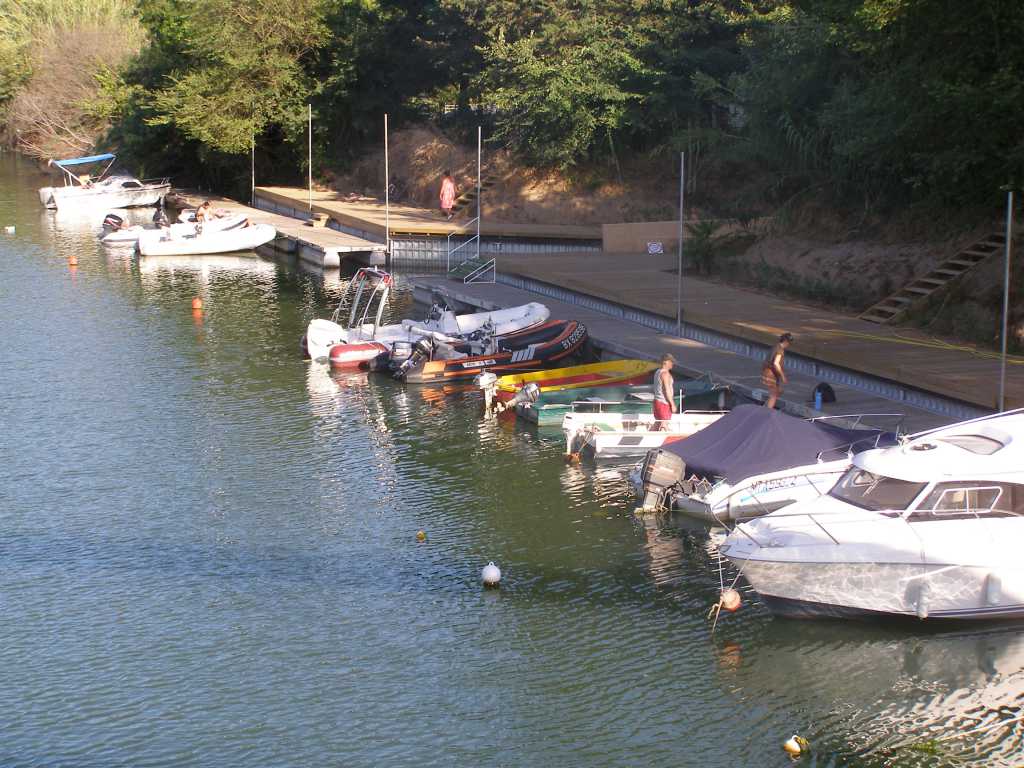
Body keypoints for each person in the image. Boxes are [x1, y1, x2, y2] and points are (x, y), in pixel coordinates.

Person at [761, 332, 793, 409]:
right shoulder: (780, 350)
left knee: (779, 391)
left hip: (767, 372)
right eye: (789, 343)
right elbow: (776, 364)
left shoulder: (776, 346)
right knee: (774, 395)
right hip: (771, 374)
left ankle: (766, 406)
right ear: (786, 342)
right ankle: (767, 411)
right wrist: (783, 376)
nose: (789, 345)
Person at [652, 352, 678, 430]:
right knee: (664, 424)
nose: (672, 364)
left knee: (657, 423)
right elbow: (667, 390)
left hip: (657, 402)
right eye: (671, 362)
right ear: (666, 362)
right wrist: (672, 404)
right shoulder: (665, 374)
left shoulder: (657, 372)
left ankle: (649, 436)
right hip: (664, 402)